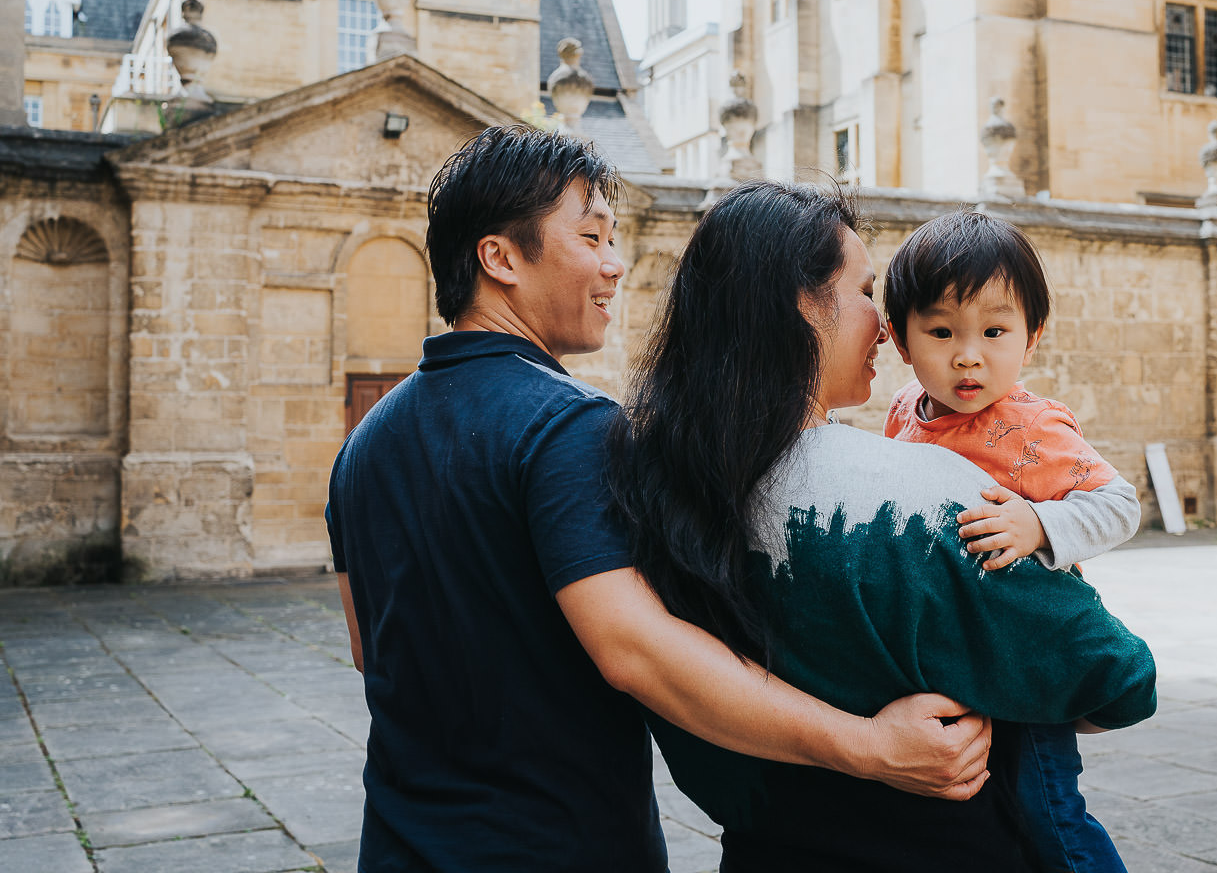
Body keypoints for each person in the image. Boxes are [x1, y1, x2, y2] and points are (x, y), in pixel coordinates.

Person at [326, 127, 996, 872]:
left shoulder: (362, 446)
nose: (615, 266)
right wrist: (868, 746)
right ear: (500, 258)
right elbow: (636, 650)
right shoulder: (565, 425)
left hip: (399, 844)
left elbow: (368, 650)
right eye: (590, 237)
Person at [608, 180, 1157, 872]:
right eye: (868, 292)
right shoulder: (922, 503)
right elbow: (1119, 679)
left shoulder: (656, 483)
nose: (884, 321)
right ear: (799, 306)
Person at [882, 210, 1140, 872]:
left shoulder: (1028, 426)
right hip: (956, 659)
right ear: (902, 341)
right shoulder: (903, 411)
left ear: (1031, 339)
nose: (968, 354)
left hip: (1027, 658)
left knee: (1047, 810)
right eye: (941, 331)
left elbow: (1117, 504)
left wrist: (1040, 525)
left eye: (995, 331)